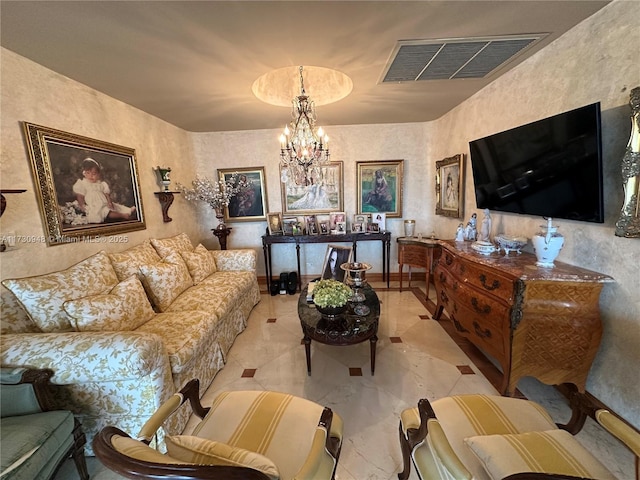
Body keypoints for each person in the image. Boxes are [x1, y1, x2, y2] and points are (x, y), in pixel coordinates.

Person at [73, 158, 136, 223]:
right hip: (95, 206)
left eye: (94, 174)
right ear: (84, 173)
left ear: (98, 174)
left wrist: (109, 202)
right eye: (88, 173)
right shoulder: (83, 183)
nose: (91, 176)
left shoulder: (101, 184)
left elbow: (106, 194)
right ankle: (123, 215)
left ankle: (129, 210)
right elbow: (80, 195)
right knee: (105, 212)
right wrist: (82, 206)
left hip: (105, 203)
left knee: (115, 207)